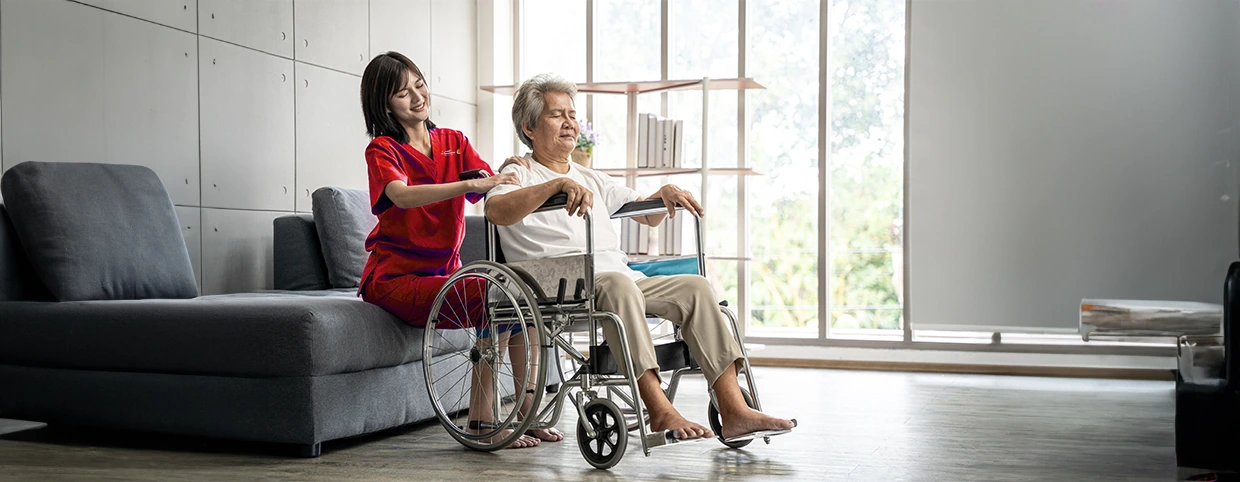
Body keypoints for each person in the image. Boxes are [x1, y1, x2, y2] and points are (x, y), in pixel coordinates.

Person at [485, 74, 796, 443]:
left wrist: (662, 193)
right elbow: (497, 211)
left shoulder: (591, 177)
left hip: (614, 279)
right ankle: (658, 408)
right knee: (618, 285)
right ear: (529, 127)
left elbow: (647, 213)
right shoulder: (517, 171)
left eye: (572, 113)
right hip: (555, 282)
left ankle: (734, 410)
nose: (569, 122)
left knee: (695, 287)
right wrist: (556, 185)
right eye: (556, 115)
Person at [355, 52, 560, 449]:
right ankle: (483, 422)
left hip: (447, 277)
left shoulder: (453, 141)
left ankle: (527, 414)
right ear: (384, 104)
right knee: (495, 297)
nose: (417, 97)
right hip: (396, 280)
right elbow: (400, 196)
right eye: (402, 93)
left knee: (523, 296)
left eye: (419, 84)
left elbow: (490, 182)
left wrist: (512, 173)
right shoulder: (383, 150)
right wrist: (467, 186)